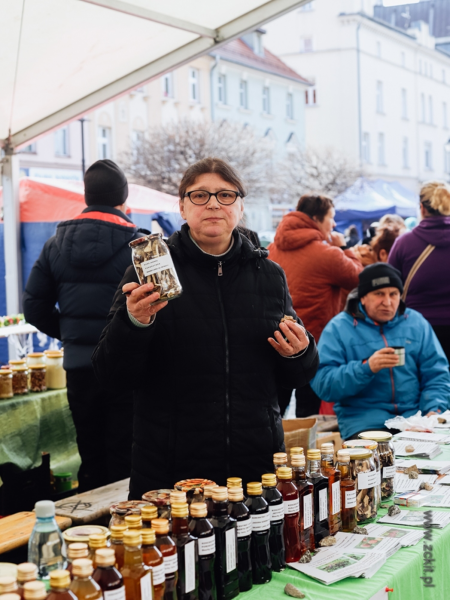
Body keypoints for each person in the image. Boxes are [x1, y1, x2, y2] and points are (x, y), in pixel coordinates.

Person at [92, 158, 319, 498]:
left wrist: (300, 352)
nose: (213, 203)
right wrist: (135, 322)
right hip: (171, 472)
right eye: (200, 195)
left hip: (255, 470)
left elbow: (298, 375)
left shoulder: (269, 275)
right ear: (182, 207)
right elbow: (112, 375)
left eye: (226, 195)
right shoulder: (151, 274)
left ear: (240, 206)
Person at [23, 160, 143, 492]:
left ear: (87, 196)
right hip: (125, 366)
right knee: (125, 456)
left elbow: (33, 307)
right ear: (123, 198)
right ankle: (126, 534)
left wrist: (73, 336)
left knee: (90, 455)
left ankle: (91, 538)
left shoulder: (54, 244)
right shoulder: (138, 244)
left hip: (78, 367)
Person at [311, 263, 450, 440]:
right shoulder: (338, 328)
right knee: (378, 463)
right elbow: (324, 385)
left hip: (415, 417)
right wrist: (366, 368)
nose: (387, 302)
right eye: (379, 294)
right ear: (362, 298)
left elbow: (437, 374)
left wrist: (433, 410)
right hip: (364, 420)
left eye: (393, 294)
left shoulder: (416, 323)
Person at [268, 194, 362, 417]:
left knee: (274, 411)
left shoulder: (272, 248)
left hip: (275, 340)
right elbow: (360, 278)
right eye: (331, 217)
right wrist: (344, 248)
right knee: (308, 414)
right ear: (317, 219)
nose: (334, 224)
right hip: (314, 342)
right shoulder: (328, 253)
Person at [389, 181, 450, 363]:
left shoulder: (404, 243)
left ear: (421, 208)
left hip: (415, 328)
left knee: (420, 383)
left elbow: (390, 283)